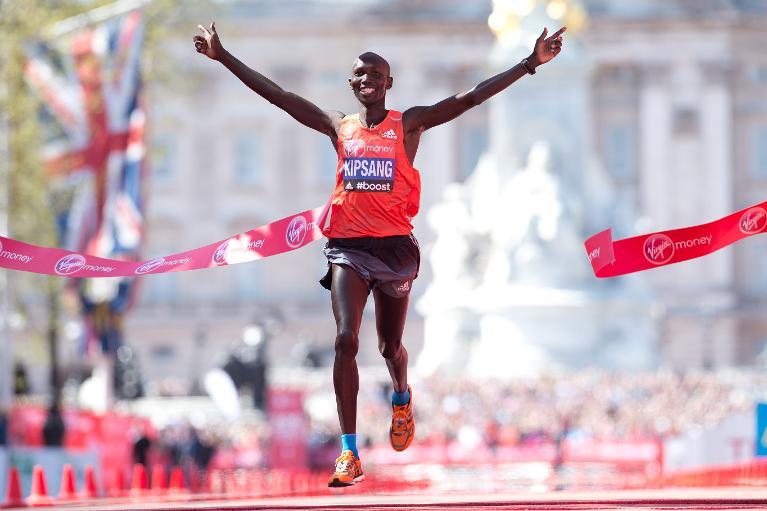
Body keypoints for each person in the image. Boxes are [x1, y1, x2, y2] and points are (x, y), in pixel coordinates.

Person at [193, 21, 566, 487]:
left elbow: (470, 98)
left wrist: (530, 63)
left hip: (394, 252)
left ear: (388, 84)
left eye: (376, 74)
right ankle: (350, 453)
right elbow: (280, 97)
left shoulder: (408, 124)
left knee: (390, 347)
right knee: (346, 340)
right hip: (347, 247)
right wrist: (223, 56)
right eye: (359, 74)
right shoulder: (339, 127)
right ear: (352, 84)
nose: (367, 79)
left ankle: (401, 396)